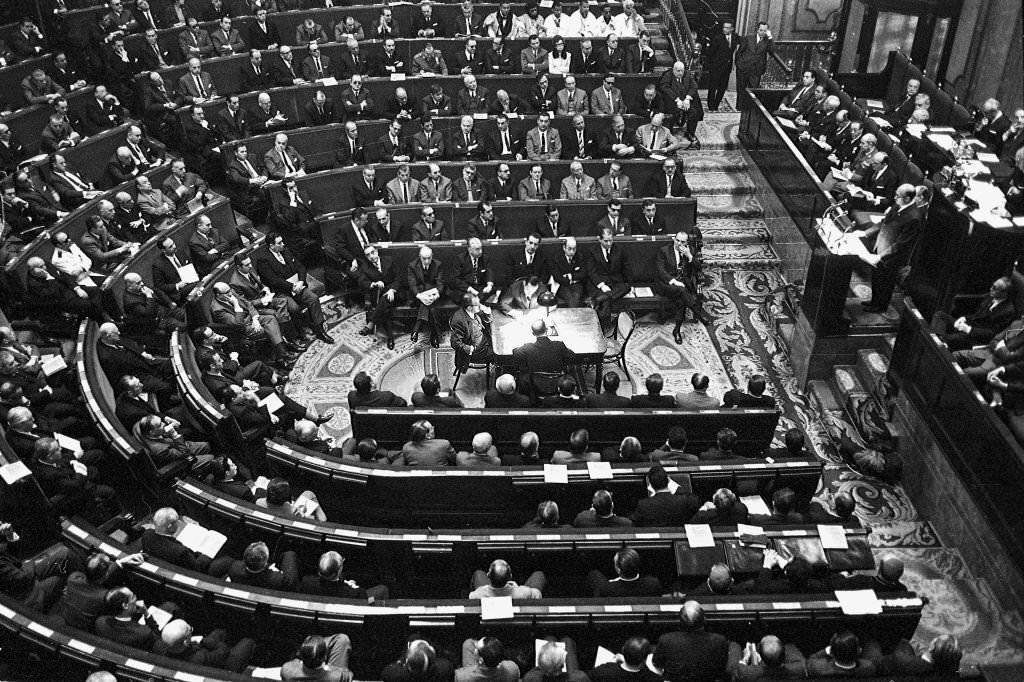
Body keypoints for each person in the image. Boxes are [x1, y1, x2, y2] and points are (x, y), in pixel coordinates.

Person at [847, 183, 922, 313]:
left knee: (885, 283)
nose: (894, 198)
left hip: (891, 257)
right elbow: (883, 223)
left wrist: (880, 256)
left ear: (908, 199)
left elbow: (900, 244)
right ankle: (874, 302)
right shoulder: (898, 205)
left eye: (898, 196)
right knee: (876, 278)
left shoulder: (914, 217)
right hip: (880, 248)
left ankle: (880, 307)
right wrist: (865, 233)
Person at [652, 601, 730, 682]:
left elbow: (657, 663)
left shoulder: (666, 639)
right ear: (704, 620)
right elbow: (722, 666)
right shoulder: (719, 640)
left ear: (680, 621)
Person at [656, 231, 708, 343]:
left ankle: (677, 330)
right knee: (683, 291)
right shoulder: (664, 251)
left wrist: (689, 256)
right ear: (674, 239)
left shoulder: (690, 251)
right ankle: (698, 313)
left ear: (687, 243)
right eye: (677, 240)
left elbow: (699, 267)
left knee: (682, 298)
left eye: (682, 242)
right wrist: (674, 281)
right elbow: (661, 271)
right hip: (666, 285)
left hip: (683, 285)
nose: (679, 244)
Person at [514, 319, 576, 397]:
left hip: (536, 384)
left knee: (522, 372)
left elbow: (515, 352)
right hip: (556, 383)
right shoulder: (559, 345)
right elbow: (572, 356)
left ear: (533, 333)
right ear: (547, 330)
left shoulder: (528, 347)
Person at [631, 465, 699, 526]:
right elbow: (695, 500)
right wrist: (677, 488)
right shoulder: (684, 501)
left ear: (650, 485)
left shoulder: (643, 505)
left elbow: (635, 525)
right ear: (668, 480)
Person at [408, 246, 446, 348]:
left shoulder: (438, 264)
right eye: (424, 258)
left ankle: (416, 328)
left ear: (432, 256)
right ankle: (434, 335)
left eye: (429, 258)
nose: (427, 261)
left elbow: (440, 283)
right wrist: (420, 296)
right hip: (419, 296)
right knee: (431, 308)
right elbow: (412, 284)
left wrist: (437, 294)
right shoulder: (412, 265)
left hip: (433, 295)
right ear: (420, 257)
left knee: (431, 307)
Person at [658, 61, 703, 148]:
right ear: (673, 70)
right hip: (672, 101)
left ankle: (690, 133)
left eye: (682, 71)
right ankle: (669, 134)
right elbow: (664, 87)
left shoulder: (688, 74)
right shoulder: (667, 75)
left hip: (686, 101)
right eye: (678, 71)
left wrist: (688, 98)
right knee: (672, 114)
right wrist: (676, 99)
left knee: (694, 113)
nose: (680, 73)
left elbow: (694, 86)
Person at [587, 548, 662, 597]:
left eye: (615, 563)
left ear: (618, 570)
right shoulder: (653, 584)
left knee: (594, 574)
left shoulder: (607, 589)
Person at [281, 633, 355, 682]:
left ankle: (312, 648)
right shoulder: (338, 676)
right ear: (325, 658)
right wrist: (328, 668)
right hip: (329, 676)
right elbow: (348, 674)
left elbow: (294, 663)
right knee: (342, 640)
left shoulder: (287, 671)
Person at [728, 635, 807, 680]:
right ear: (784, 654)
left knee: (734, 645)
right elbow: (792, 649)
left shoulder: (748, 673)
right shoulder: (799, 669)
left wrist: (745, 658)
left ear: (760, 655)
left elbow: (735, 669)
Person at [450, 294, 494, 376]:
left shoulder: (474, 311)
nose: (480, 306)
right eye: (478, 305)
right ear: (469, 307)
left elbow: (488, 320)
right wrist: (470, 349)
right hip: (476, 351)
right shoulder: (460, 321)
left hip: (483, 338)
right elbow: (455, 343)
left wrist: (488, 313)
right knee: (500, 353)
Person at [735, 22, 774, 110]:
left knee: (753, 90)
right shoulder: (748, 38)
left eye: (765, 30)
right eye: (761, 30)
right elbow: (739, 52)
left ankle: (749, 109)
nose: (762, 32)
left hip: (756, 70)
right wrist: (739, 65)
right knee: (741, 89)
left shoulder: (767, 41)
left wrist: (770, 37)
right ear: (757, 30)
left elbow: (772, 51)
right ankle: (739, 107)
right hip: (743, 68)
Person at [806, 631, 877, 677]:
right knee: (872, 642)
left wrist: (824, 651)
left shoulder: (819, 667)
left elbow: (810, 661)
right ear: (859, 651)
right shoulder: (868, 667)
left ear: (831, 653)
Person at [588, 637, 657, 682]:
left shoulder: (603, 671)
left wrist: (611, 665)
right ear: (645, 659)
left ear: (623, 650)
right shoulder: (653, 678)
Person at [469, 559, 545, 599]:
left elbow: (471, 596)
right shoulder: (524, 593)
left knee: (478, 573)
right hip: (517, 594)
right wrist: (516, 587)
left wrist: (485, 588)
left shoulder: (478, 594)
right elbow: (537, 594)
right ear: (510, 577)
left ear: (488, 575)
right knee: (539, 574)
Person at [455, 636, 520, 682]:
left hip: (472, 676)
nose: (475, 646)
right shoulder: (513, 669)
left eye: (476, 648)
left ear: (480, 660)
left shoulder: (461, 676)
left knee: (468, 644)